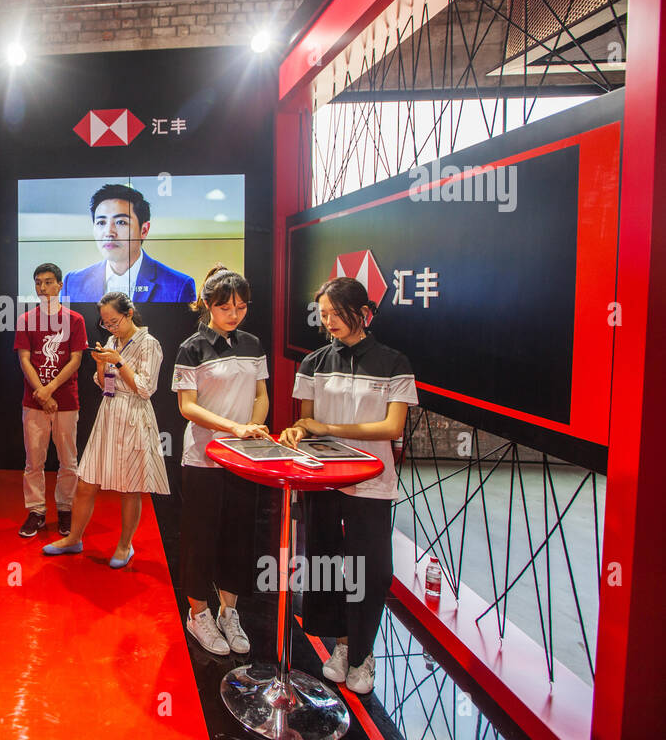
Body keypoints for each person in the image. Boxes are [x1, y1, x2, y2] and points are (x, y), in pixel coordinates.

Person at [280, 276, 418, 695]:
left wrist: (329, 427)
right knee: (323, 563)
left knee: (372, 571)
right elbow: (306, 423)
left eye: (337, 314)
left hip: (372, 482)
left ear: (363, 313)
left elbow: (392, 427)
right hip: (323, 481)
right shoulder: (314, 362)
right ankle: (340, 643)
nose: (329, 322)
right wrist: (299, 432)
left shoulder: (394, 362)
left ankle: (362, 652)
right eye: (323, 315)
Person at [172, 269, 271, 656]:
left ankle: (230, 611)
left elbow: (261, 394)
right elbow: (188, 406)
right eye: (226, 306)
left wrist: (254, 426)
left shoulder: (252, 343)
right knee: (200, 537)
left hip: (243, 458)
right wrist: (234, 427)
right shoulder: (191, 348)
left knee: (238, 535)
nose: (234, 314)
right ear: (208, 306)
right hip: (203, 458)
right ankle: (198, 614)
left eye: (241, 307)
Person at [43, 291, 170, 566]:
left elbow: (146, 388)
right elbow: (104, 385)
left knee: (129, 487)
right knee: (86, 481)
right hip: (109, 413)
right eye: (105, 323)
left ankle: (125, 545)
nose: (111, 328)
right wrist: (102, 365)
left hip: (134, 415)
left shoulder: (149, 344)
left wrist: (118, 362)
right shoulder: (113, 341)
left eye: (114, 321)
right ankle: (74, 538)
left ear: (129, 313)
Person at [14, 262, 89, 538]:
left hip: (67, 401)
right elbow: (24, 358)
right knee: (34, 461)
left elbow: (76, 359)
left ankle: (66, 509)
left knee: (68, 461)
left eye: (48, 282)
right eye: (38, 282)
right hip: (33, 401)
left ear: (59, 285)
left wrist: (51, 389)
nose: (42, 288)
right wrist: (41, 392)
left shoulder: (75, 320)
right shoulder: (26, 320)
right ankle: (36, 510)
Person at [61, 184, 196, 304]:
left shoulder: (178, 286)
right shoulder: (73, 282)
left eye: (121, 222)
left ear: (144, 230)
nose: (109, 232)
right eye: (101, 223)